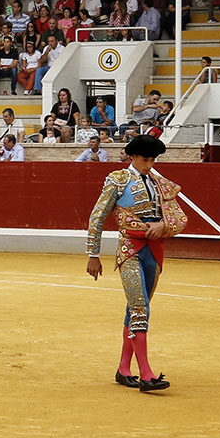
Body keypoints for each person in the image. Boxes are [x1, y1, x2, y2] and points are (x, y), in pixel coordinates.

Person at [85, 134, 186, 393]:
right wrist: (93, 254)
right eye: (145, 160)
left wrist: (163, 225)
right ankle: (147, 374)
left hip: (154, 251)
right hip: (130, 249)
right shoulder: (118, 180)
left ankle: (123, 369)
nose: (149, 165)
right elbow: (97, 216)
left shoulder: (160, 183)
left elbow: (180, 218)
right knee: (140, 308)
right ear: (133, 157)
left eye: (153, 160)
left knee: (136, 308)